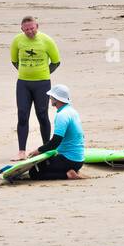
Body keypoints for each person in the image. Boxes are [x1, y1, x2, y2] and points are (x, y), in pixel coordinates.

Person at [10, 15, 61, 158]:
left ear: (37, 26)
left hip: (42, 83)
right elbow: (14, 61)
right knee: (22, 115)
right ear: (22, 29)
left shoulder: (47, 40)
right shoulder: (17, 41)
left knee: (42, 115)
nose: (30, 31)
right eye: (26, 29)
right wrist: (25, 72)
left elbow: (56, 62)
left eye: (32, 28)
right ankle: (21, 151)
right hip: (23, 84)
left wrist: (43, 73)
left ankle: (46, 148)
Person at [27, 83, 85, 180]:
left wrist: (38, 151)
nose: (50, 98)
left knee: (34, 172)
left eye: (51, 97)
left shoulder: (62, 115)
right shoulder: (72, 111)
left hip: (68, 160)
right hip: (79, 160)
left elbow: (55, 141)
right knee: (44, 164)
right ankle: (72, 170)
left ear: (56, 99)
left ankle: (67, 175)